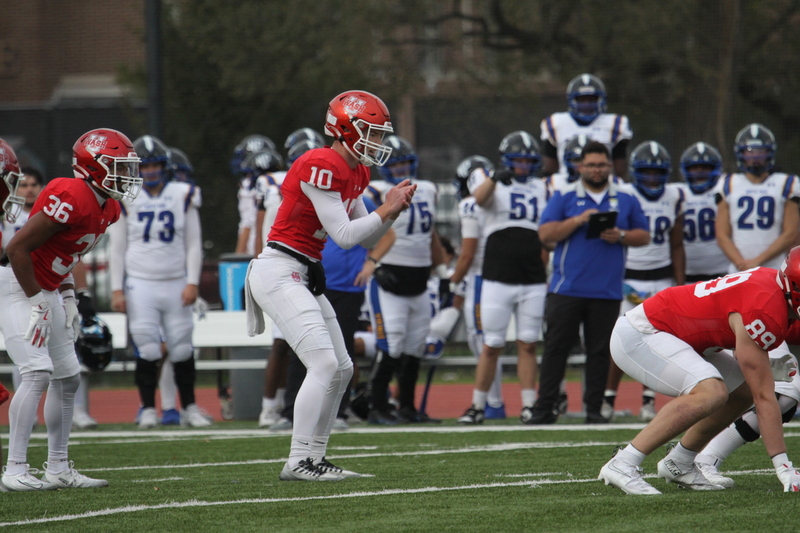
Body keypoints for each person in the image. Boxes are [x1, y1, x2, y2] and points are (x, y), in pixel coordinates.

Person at [245, 89, 415, 481]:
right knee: (323, 363)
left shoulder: (358, 171)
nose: (378, 141)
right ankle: (298, 460)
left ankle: (315, 457)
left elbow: (367, 237)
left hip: (303, 271)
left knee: (342, 368)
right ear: (346, 128)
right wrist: (386, 206)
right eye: (372, 132)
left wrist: (391, 212)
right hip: (279, 269)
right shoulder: (320, 163)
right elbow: (343, 235)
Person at [0, 129, 139, 491]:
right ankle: (14, 469)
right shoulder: (71, 193)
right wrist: (37, 300)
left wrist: (69, 296)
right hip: (18, 285)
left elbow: (64, 255)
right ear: (94, 166)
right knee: (36, 373)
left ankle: (58, 467)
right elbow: (16, 249)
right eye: (119, 167)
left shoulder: (109, 207)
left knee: (69, 376)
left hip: (46, 288)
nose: (127, 175)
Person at [598, 248, 800, 495]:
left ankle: (679, 462)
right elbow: (765, 396)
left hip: (676, 335)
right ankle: (623, 462)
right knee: (711, 391)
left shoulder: (773, 288)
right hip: (644, 332)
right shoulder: (764, 309)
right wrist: (783, 466)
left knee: (742, 392)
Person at [529, 141, 650, 424]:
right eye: (591, 165)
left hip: (607, 290)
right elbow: (545, 234)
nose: (597, 170)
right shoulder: (564, 196)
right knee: (556, 349)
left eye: (602, 165)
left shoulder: (626, 198)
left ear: (610, 166)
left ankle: (595, 410)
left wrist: (620, 235)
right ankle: (544, 408)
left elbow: (644, 236)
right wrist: (577, 221)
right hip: (566, 288)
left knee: (599, 353)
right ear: (580, 166)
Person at [109, 135, 210, 429]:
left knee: (182, 347)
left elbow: (194, 243)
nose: (151, 171)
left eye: (155, 165)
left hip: (176, 281)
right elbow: (117, 248)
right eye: (146, 166)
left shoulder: (183, 193)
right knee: (148, 348)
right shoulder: (125, 196)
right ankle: (148, 409)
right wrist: (116, 289)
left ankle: (189, 407)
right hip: (140, 283)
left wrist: (192, 282)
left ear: (165, 166)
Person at [457, 131, 549, 425]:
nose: (523, 165)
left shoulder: (542, 187)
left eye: (528, 160)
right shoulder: (491, 181)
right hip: (497, 276)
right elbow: (479, 199)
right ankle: (477, 406)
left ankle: (528, 404)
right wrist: (495, 178)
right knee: (492, 344)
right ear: (507, 160)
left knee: (528, 343)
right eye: (518, 160)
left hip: (532, 277)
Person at [602, 141, 685, 422]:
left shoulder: (674, 195)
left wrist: (680, 284)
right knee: (618, 340)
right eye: (646, 171)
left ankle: (648, 401)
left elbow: (676, 244)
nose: (651, 177)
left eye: (656, 172)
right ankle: (608, 399)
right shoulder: (622, 193)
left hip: (661, 278)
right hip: (628, 276)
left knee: (658, 344)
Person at [365, 135, 444, 425]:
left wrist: (442, 270)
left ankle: (407, 407)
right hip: (389, 277)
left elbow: (430, 233)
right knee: (392, 344)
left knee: (415, 346)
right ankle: (377, 407)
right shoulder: (374, 191)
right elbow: (360, 231)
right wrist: (372, 263)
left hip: (420, 278)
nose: (400, 170)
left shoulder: (428, 189)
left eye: (405, 164)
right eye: (395, 165)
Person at [432, 156, 508, 417]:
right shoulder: (501, 200)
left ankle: (493, 403)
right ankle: (493, 402)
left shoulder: (469, 204)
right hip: (497, 275)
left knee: (483, 343)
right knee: (489, 343)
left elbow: (468, 254)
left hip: (480, 278)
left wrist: (451, 282)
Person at [694, 319, 800, 488]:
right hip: (733, 318)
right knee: (781, 390)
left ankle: (689, 458)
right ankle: (699, 458)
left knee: (784, 393)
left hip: (759, 319)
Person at [716, 123, 800, 273]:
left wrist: (757, 262)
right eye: (750, 151)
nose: (755, 156)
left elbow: (791, 234)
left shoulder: (786, 183)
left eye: (760, 151)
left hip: (773, 269)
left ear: (769, 152)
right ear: (741, 153)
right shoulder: (727, 183)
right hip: (738, 270)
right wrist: (740, 263)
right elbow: (722, 235)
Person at [540, 74, 633, 178]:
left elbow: (620, 171)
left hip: (602, 183)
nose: (587, 104)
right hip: (566, 183)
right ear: (571, 100)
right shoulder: (555, 123)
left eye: (592, 99)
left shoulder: (615, 123)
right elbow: (550, 169)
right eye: (581, 100)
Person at [677, 142, 728, 283]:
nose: (700, 172)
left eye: (705, 167)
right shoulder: (676, 193)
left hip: (722, 273)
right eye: (695, 168)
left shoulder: (724, 191)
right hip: (687, 275)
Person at [232, 134, 277, 256]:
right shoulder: (284, 179)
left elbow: (248, 225)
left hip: (259, 250)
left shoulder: (251, 186)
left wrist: (237, 258)